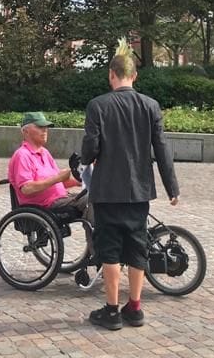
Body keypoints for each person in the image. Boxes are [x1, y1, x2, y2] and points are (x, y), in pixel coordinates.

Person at [82, 39, 179, 331]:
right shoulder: (150, 106)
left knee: (109, 249)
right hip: (139, 191)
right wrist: (172, 187)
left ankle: (111, 311)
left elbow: (90, 149)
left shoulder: (97, 106)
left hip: (108, 191)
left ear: (112, 74)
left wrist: (88, 157)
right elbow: (162, 149)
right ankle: (134, 308)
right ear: (134, 75)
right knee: (137, 248)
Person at [7, 111, 91, 224]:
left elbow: (59, 183)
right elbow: (26, 188)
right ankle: (97, 239)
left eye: (46, 127)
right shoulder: (22, 155)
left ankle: (101, 235)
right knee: (91, 201)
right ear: (25, 131)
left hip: (61, 198)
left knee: (96, 195)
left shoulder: (44, 152)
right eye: (40, 127)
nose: (45, 130)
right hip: (44, 205)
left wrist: (80, 181)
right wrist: (57, 178)